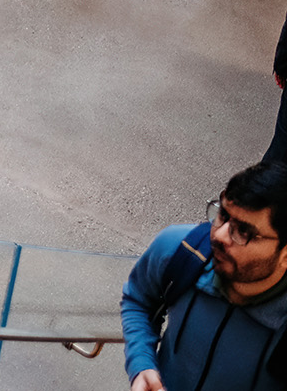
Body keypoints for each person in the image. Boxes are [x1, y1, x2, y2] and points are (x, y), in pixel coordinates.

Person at [120, 161, 287, 391]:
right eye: (223, 215)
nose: (219, 235)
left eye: (243, 231)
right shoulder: (182, 250)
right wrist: (141, 363)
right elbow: (138, 300)